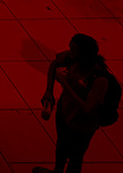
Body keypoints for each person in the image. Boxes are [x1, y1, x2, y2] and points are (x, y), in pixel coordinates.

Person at [37, 34, 113, 173]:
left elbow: (88, 109)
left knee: (75, 157)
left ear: (84, 53)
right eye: (70, 47)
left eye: (73, 49)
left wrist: (64, 84)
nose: (69, 51)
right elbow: (54, 64)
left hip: (82, 125)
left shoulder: (99, 78)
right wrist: (49, 91)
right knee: (61, 146)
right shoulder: (72, 58)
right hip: (64, 113)